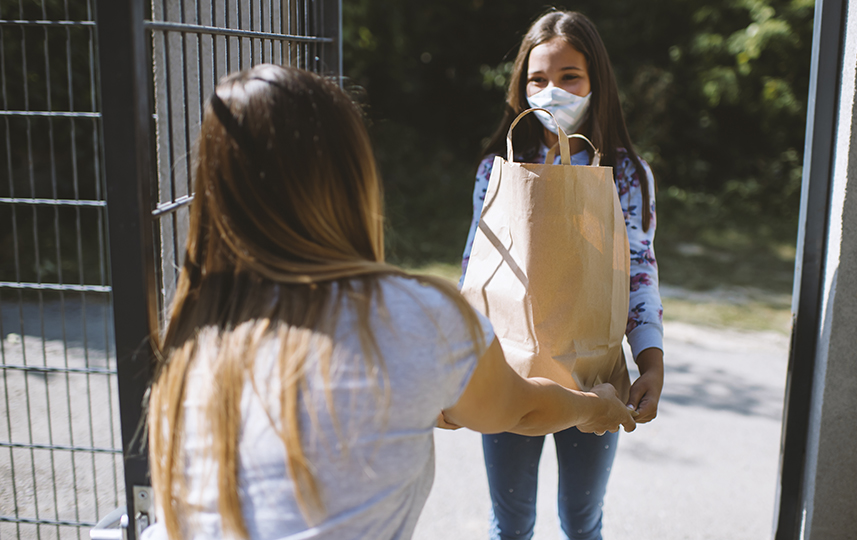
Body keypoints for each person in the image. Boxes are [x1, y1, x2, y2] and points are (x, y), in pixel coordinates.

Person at [142, 64, 637, 540]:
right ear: (351, 178)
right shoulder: (414, 318)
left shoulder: (190, 340)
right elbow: (522, 410)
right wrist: (593, 407)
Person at [459, 10, 665, 540]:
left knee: (581, 521)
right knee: (511, 524)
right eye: (538, 79)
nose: (552, 91)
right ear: (521, 87)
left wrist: (651, 360)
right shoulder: (498, 169)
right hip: (509, 370)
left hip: (594, 376)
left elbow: (638, 270)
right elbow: (476, 268)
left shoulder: (625, 174)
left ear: (597, 82)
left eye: (569, 76)